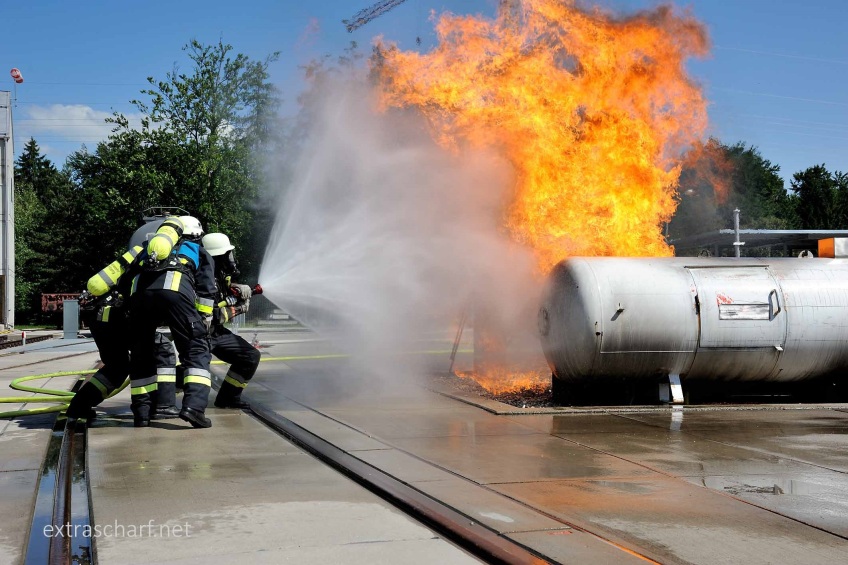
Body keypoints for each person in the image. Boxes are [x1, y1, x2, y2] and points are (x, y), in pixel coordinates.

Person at [67, 246, 179, 423]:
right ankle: (162, 407)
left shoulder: (137, 254)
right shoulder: (165, 258)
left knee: (117, 367)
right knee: (161, 348)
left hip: (99, 315)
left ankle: (79, 405)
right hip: (117, 316)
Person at [127, 216, 217, 428]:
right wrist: (204, 317)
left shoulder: (147, 248)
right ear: (195, 235)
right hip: (175, 293)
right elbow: (207, 286)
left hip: (139, 297)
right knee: (196, 350)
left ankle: (142, 413)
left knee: (142, 356)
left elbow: (127, 277)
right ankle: (194, 408)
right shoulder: (195, 249)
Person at [201, 232, 261, 409]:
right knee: (195, 371)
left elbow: (223, 290)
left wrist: (237, 287)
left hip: (215, 332)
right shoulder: (201, 279)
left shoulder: (218, 274)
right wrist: (238, 309)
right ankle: (160, 399)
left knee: (249, 356)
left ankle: (228, 398)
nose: (231, 258)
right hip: (200, 333)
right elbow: (213, 315)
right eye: (228, 254)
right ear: (218, 256)